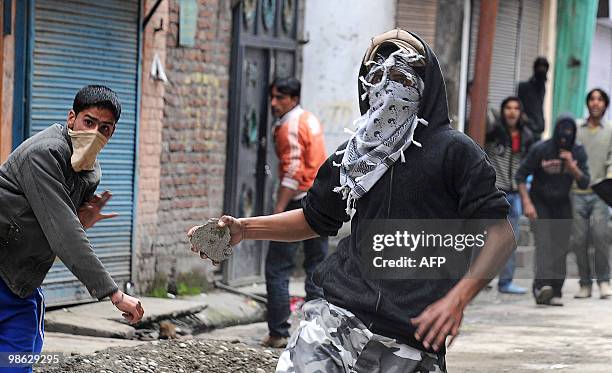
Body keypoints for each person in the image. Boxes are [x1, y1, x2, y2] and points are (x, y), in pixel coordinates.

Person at [190, 29, 515, 372]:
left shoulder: (456, 153)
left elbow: (501, 235)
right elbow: (315, 219)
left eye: (401, 75)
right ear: (365, 86)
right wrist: (245, 228)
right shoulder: (352, 157)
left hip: (414, 334)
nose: (389, 87)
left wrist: (457, 299)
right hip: (340, 318)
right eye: (378, 76)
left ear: (426, 84)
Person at [0, 85, 144, 372]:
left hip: (19, 284)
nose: (94, 133)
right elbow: (63, 230)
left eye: (104, 128)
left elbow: (57, 223)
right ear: (71, 119)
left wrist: (79, 222)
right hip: (6, 272)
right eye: (88, 122)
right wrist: (113, 293)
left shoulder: (89, 170)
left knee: (16, 362)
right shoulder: (43, 153)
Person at [262, 77, 329, 348]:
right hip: (321, 200)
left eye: (280, 98)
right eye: (272, 97)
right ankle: (316, 334)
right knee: (316, 266)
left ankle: (278, 332)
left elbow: (292, 172)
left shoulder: (290, 125)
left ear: (293, 98)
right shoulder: (309, 119)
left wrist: (278, 209)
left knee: (277, 267)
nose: (273, 103)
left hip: (299, 201)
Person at [515, 114, 590, 306]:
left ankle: (556, 290)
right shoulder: (541, 149)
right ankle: (541, 287)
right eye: (562, 130)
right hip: (540, 203)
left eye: (570, 131)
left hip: (563, 203)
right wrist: (527, 203)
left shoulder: (578, 151)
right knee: (545, 245)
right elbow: (521, 176)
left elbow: (584, 182)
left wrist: (572, 166)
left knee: (561, 248)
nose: (565, 135)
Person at [485, 97, 534, 294]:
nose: (512, 112)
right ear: (502, 111)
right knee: (487, 238)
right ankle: (481, 279)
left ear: (521, 112)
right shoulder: (494, 132)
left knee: (511, 239)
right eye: (508, 108)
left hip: (515, 193)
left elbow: (527, 165)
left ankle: (505, 282)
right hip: (495, 191)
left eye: (516, 108)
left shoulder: (526, 136)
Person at [571, 88, 612, 299]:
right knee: (578, 240)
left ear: (605, 104)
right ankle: (584, 283)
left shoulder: (610, 130)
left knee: (600, 236)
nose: (596, 103)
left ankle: (604, 281)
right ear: (587, 104)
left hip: (600, 194)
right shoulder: (576, 129)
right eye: (592, 99)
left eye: (600, 100)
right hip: (576, 192)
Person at [518, 57, 549, 142]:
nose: (542, 70)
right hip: (527, 130)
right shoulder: (524, 87)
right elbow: (519, 106)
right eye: (540, 67)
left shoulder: (542, 87)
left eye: (545, 67)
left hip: (538, 129)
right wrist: (526, 120)